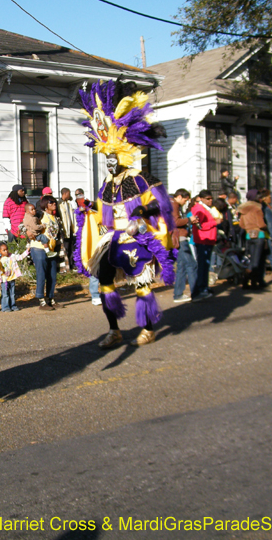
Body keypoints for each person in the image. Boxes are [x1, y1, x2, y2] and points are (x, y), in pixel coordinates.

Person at [75, 80, 174, 347]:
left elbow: (163, 205)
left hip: (139, 236)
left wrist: (144, 210)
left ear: (122, 154)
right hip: (115, 238)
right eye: (105, 157)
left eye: (112, 157)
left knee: (142, 282)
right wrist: (86, 211)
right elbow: (100, 210)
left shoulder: (141, 179)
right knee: (104, 278)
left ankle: (148, 328)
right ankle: (114, 329)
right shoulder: (107, 185)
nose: (108, 162)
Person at [30, 195, 62, 310]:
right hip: (39, 249)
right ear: (44, 204)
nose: (54, 204)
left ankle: (51, 299)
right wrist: (31, 234)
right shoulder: (40, 215)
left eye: (55, 202)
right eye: (51, 202)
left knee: (52, 275)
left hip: (51, 250)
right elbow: (27, 225)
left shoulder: (54, 217)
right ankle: (41, 301)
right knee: (41, 274)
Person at [74, 188, 101, 305]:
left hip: (98, 241)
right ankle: (95, 295)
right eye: (77, 197)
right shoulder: (79, 212)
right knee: (92, 268)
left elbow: (99, 210)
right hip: (86, 243)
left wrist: (89, 204)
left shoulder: (93, 210)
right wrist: (82, 210)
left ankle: (107, 293)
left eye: (81, 197)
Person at [171, 188, 198, 303]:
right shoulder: (174, 205)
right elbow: (175, 222)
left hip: (178, 238)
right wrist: (189, 220)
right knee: (192, 265)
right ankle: (197, 293)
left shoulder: (172, 204)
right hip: (179, 238)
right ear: (180, 197)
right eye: (185, 200)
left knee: (181, 267)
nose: (185, 203)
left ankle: (178, 294)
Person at [191, 190, 219, 299]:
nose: (210, 200)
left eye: (211, 198)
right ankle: (201, 288)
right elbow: (199, 226)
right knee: (202, 266)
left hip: (208, 240)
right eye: (208, 198)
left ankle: (204, 286)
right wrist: (214, 222)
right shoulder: (199, 209)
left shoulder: (205, 209)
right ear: (201, 199)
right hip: (203, 240)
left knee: (205, 265)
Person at [237, 194, 268, 289]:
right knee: (256, 260)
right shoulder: (257, 209)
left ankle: (245, 281)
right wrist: (266, 227)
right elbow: (261, 224)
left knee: (251, 258)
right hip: (259, 235)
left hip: (248, 235)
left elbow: (241, 225)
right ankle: (253, 282)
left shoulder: (243, 211)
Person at [0, 241, 30, 312]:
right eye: (4, 250)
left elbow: (20, 257)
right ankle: (5, 307)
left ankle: (13, 305)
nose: (6, 251)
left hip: (12, 278)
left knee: (12, 293)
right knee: (5, 294)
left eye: (7, 249)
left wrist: (27, 251)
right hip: (4, 280)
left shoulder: (12, 256)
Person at [58, 188, 76, 271]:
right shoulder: (59, 204)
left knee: (71, 248)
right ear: (64, 194)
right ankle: (66, 267)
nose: (69, 195)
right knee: (65, 248)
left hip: (70, 229)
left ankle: (72, 265)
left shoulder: (68, 203)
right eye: (68, 193)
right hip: (64, 230)